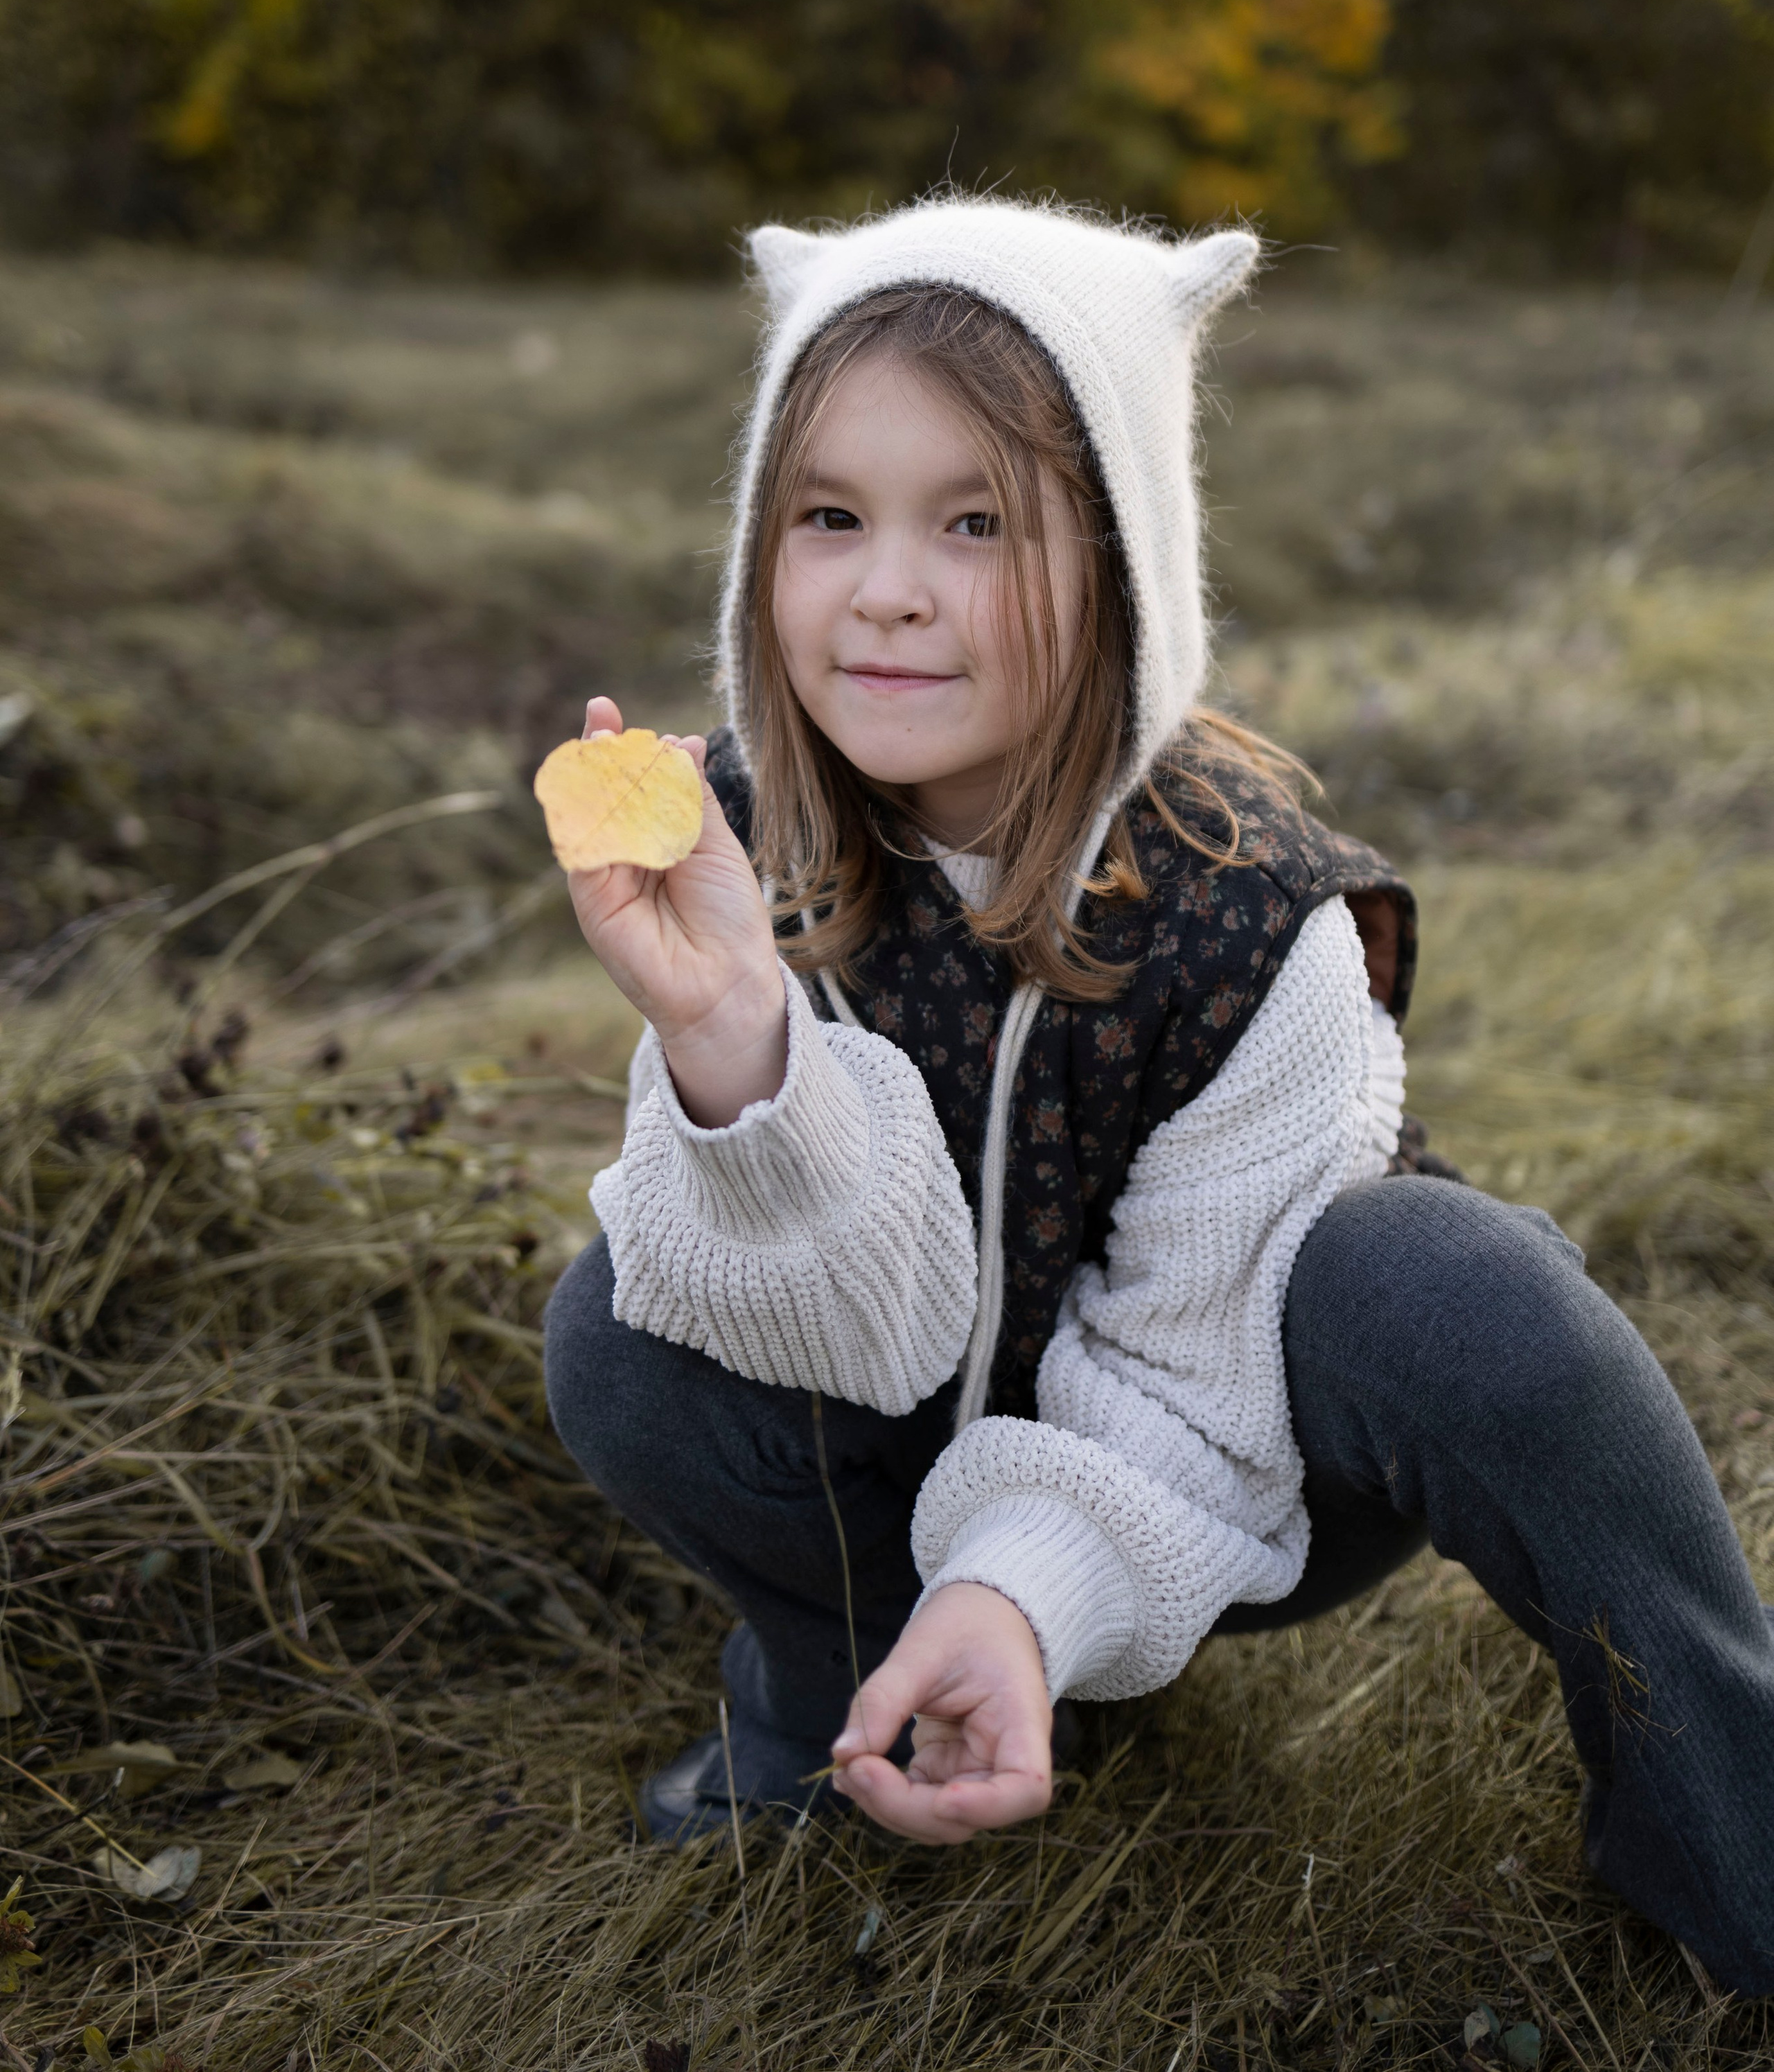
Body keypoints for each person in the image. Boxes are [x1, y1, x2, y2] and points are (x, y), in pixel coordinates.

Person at [542, 195, 1774, 1994]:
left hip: (1233, 1445)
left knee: (1462, 1298)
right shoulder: (748, 841)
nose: (887, 583)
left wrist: (1027, 1582)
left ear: (1123, 560)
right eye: (832, 517)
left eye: (975, 521)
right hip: (908, 1402)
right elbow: (846, 1325)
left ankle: (1720, 1814)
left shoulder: (1252, 906)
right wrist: (739, 1040)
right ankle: (844, 1681)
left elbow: (1195, 1378)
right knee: (618, 1333)